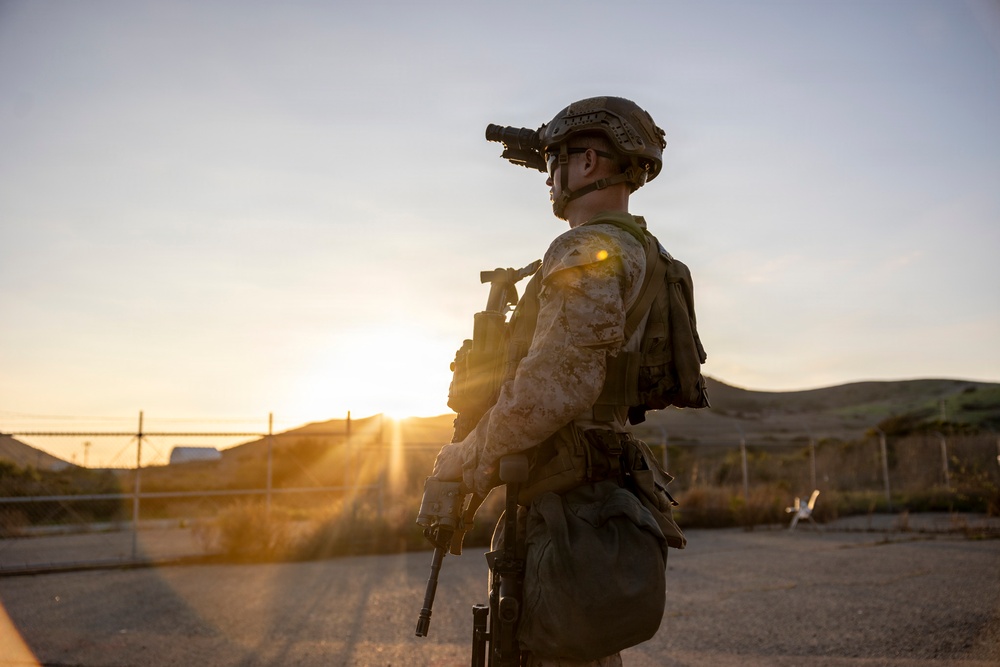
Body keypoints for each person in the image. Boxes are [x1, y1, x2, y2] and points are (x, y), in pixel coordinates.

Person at [432, 96, 680, 667]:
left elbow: (557, 385)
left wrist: (465, 459)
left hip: (566, 500)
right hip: (591, 496)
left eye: (555, 162)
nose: (548, 179)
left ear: (588, 162)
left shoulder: (586, 248)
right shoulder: (645, 251)